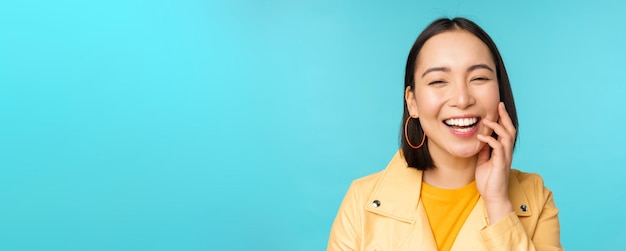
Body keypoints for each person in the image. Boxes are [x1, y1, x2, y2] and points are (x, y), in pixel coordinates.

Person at [327, 17, 562, 251]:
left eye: (479, 78)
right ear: (412, 103)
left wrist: (498, 203)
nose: (462, 100)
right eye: (439, 81)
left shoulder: (535, 197)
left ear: (500, 91)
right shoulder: (361, 201)